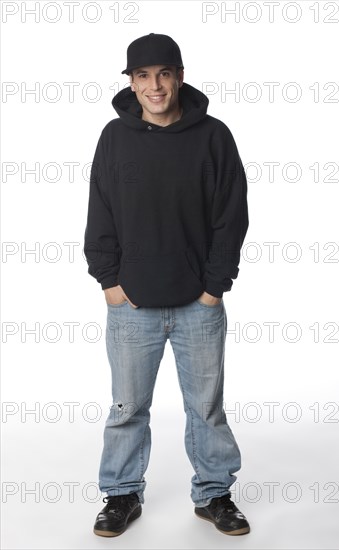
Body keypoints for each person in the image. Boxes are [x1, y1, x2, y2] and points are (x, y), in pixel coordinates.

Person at [83, 33, 250, 537]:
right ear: (132, 84)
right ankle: (121, 494)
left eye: (163, 74)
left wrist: (213, 287)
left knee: (206, 406)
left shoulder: (213, 136)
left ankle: (215, 494)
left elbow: (231, 215)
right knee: (127, 407)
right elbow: (100, 211)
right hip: (132, 304)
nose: (154, 86)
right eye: (142, 76)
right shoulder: (114, 137)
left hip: (199, 303)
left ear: (179, 75)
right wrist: (109, 281)